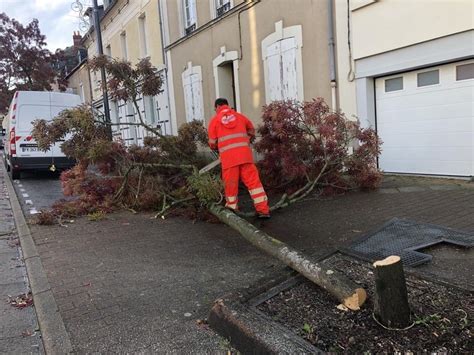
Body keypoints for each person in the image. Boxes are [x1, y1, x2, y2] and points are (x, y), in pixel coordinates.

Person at [208, 98, 270, 219]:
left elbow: (212, 143)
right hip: (245, 156)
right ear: (227, 105)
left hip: (229, 160)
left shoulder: (214, 121)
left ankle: (232, 211)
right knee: (254, 184)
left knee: (231, 185)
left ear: (217, 107)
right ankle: (263, 210)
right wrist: (245, 139)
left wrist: (218, 146)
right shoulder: (240, 117)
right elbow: (252, 130)